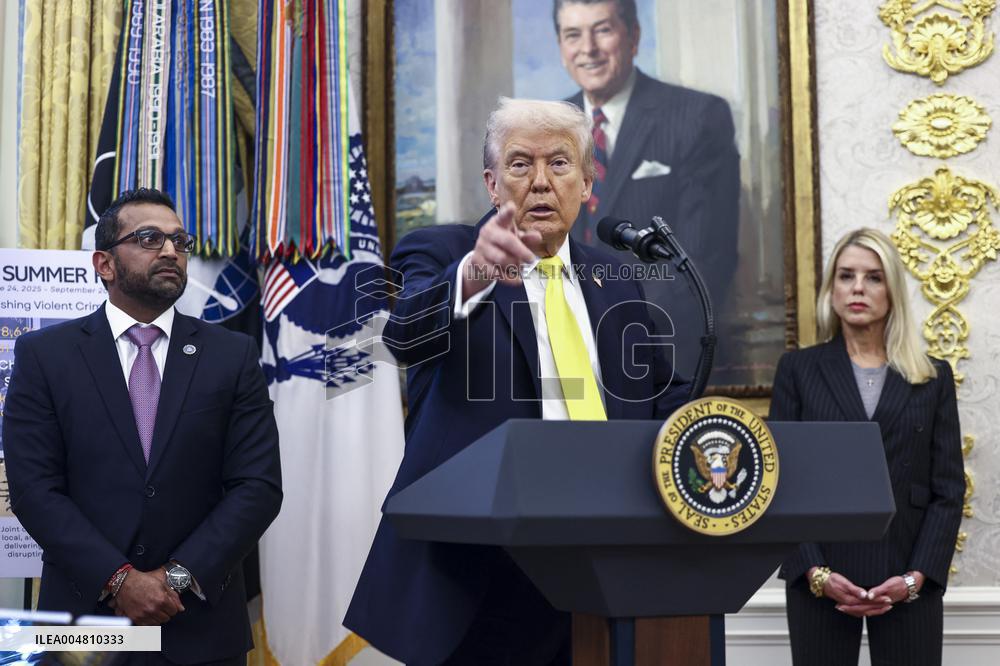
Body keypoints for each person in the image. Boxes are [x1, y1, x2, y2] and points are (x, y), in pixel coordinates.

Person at [345, 98, 690, 665]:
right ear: (491, 183)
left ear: (586, 182)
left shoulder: (616, 279)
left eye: (559, 163)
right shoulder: (442, 252)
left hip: (607, 570)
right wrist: (477, 271)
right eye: (519, 164)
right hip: (482, 579)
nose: (540, 182)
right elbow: (402, 334)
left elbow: (658, 394)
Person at [3, 188, 283, 665]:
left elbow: (257, 487)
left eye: (180, 240)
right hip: (86, 627)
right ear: (104, 264)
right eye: (149, 238)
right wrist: (119, 581)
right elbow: (34, 490)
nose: (171, 251)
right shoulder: (45, 356)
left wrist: (171, 580)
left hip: (197, 624)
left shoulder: (231, 356)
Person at [769, 228, 964, 666]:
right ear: (831, 290)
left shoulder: (932, 377)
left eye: (873, 278)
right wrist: (816, 574)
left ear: (892, 291)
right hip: (820, 576)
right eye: (846, 276)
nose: (858, 288)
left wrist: (915, 578)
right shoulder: (799, 370)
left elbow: (948, 490)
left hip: (907, 575)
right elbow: (778, 483)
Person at [553, 0, 740, 376]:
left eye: (602, 30)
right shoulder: (547, 128)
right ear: (561, 47)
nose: (587, 48)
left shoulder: (697, 117)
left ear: (634, 36)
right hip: (560, 359)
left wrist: (613, 336)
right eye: (573, 34)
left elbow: (701, 260)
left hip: (658, 355)